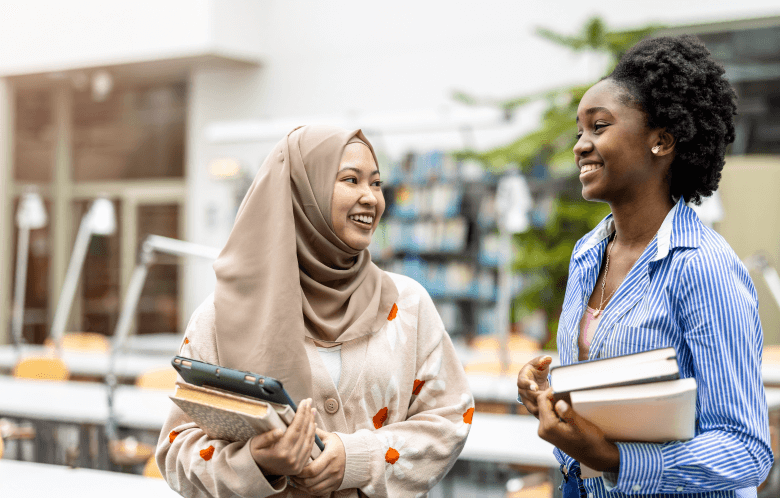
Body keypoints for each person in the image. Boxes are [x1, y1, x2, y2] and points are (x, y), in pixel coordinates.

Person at [517, 35, 773, 498]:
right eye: (580, 131)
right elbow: (604, 407)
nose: (581, 145)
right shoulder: (586, 254)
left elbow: (745, 450)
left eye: (599, 126)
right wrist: (551, 400)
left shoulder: (702, 269)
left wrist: (614, 459)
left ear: (662, 141)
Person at [156, 125, 473, 497]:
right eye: (351, 180)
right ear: (302, 193)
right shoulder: (223, 315)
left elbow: (450, 419)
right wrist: (255, 463)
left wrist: (355, 459)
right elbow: (177, 448)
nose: (370, 198)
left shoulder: (408, 304)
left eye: (376, 183)